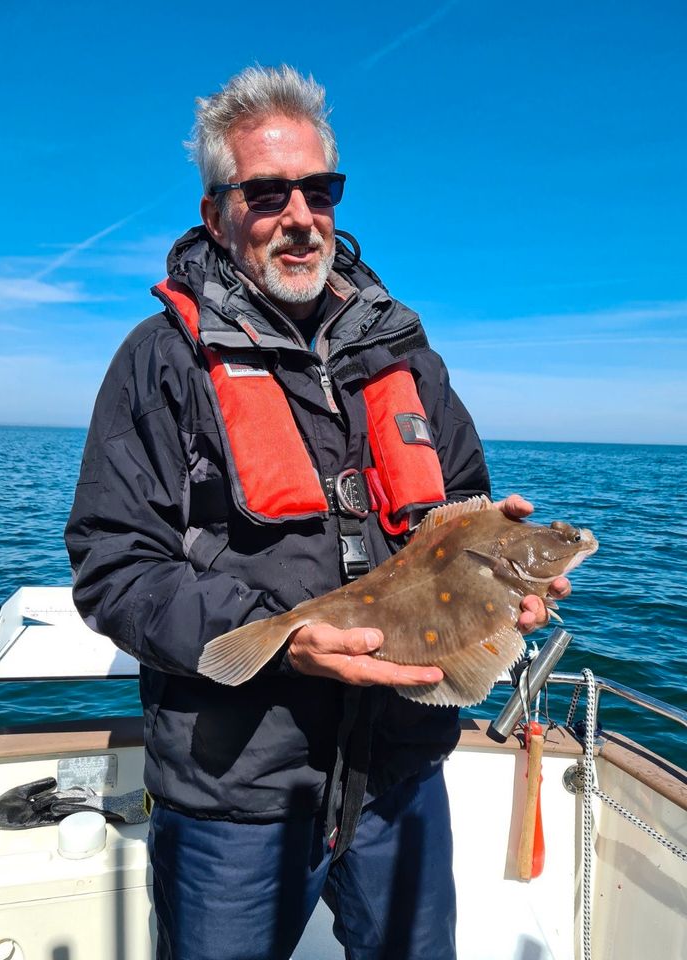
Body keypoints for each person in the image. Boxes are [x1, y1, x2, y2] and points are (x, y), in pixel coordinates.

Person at [65, 65, 570, 960]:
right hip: (239, 787)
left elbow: (461, 506)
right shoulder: (158, 364)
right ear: (220, 210)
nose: (301, 216)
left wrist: (507, 566)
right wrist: (281, 638)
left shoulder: (408, 358)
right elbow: (116, 567)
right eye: (268, 193)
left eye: (320, 189)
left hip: (402, 771)